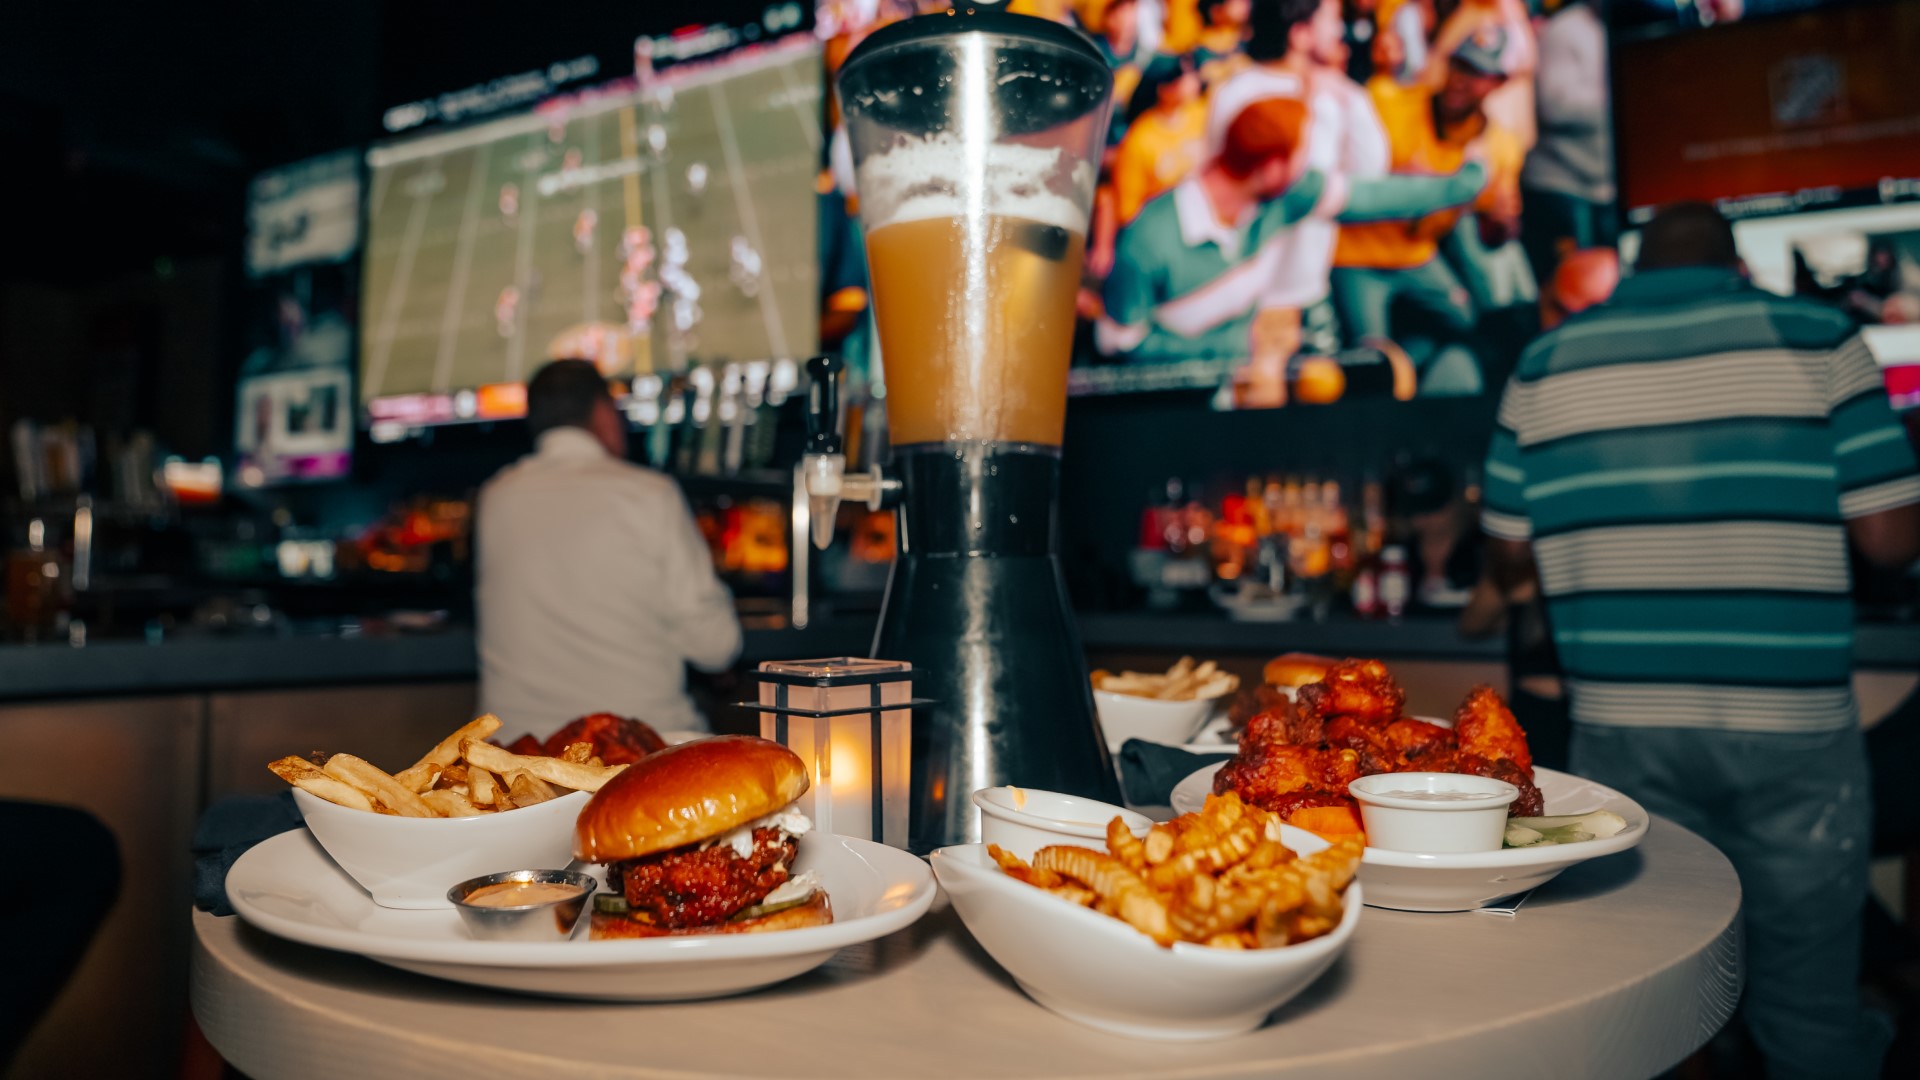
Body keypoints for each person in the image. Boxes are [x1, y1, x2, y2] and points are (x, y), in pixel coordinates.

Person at [1479, 203, 1920, 1079]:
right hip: (1791, 731)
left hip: (1623, 730)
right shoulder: (1820, 339)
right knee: (1811, 1015)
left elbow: (1508, 552)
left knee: (1659, 1007)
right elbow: (1891, 539)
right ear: (1738, 266)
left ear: (1638, 267)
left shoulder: (1543, 364)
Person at [1097, 96, 1485, 366]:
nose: (1309, 165)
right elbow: (1117, 345)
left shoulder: (1287, 196)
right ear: (1270, 169)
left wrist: (1463, 184)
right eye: (1302, 153)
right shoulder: (1147, 240)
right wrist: (1233, 346)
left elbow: (1375, 195)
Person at [475, 360, 742, 741]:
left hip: (517, 758)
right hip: (638, 750)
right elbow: (716, 646)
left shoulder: (495, 498)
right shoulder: (650, 494)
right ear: (603, 412)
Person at [1330, 25, 1525, 395]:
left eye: (1477, 74)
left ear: (1497, 82)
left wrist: (1502, 223)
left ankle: (1417, 366)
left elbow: (1492, 239)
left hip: (1417, 254)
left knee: (1467, 322)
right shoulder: (1390, 103)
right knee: (1371, 359)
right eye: (1460, 67)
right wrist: (1408, 182)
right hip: (1359, 252)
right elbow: (1345, 182)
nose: (1461, 81)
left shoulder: (1500, 145)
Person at [1208, 0, 1392, 374]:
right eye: (1331, 19)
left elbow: (1371, 169)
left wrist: (1344, 92)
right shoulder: (1242, 92)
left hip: (1308, 286)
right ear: (1300, 33)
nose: (1339, 30)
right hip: (1249, 296)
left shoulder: (1333, 94)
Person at [1519, 0, 1615, 287]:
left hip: (1603, 184)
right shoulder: (1565, 29)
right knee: (1571, 283)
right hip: (1563, 183)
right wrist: (1624, 98)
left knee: (1604, 280)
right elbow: (1555, 106)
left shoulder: (1612, 24)